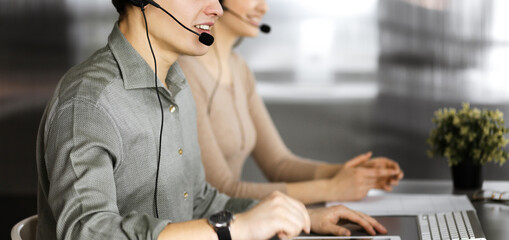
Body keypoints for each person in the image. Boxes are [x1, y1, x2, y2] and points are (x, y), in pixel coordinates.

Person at [36, 0, 387, 239]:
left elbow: (200, 201)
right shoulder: (89, 103)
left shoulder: (177, 86)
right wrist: (234, 229)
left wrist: (299, 216)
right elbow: (87, 232)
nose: (217, 9)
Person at [178, 0, 405, 205]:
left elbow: (279, 164)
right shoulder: (186, 72)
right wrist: (332, 188)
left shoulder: (239, 68)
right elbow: (223, 191)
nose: (264, 7)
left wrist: (351, 174)